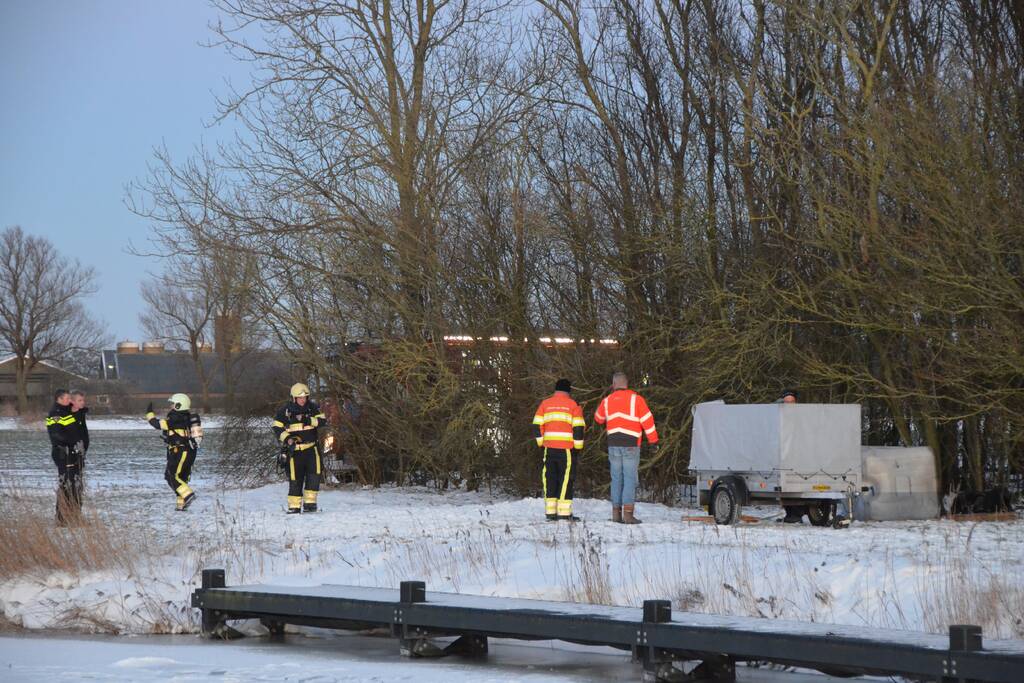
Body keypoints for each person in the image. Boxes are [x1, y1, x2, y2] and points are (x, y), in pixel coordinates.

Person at [593, 372, 658, 524]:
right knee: (629, 479)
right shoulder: (637, 400)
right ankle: (628, 515)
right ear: (626, 384)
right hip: (631, 444)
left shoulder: (607, 401)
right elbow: (648, 421)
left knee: (616, 478)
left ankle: (616, 514)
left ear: (614, 384)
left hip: (613, 443)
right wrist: (653, 441)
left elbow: (598, 418)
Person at [532, 378, 585, 521]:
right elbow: (578, 428)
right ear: (569, 391)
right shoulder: (573, 405)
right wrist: (578, 448)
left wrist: (541, 443)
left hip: (549, 449)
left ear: (555, 389)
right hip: (567, 450)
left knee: (550, 478)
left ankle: (550, 512)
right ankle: (564, 513)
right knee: (566, 480)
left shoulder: (545, 404)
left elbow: (536, 425)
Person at [272, 383, 326, 513]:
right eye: (300, 398)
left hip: (311, 449)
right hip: (295, 451)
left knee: (314, 475)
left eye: (305, 397)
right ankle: (294, 506)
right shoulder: (285, 411)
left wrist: (308, 420)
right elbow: (276, 427)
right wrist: (287, 439)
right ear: (294, 398)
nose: (303, 400)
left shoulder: (313, 408)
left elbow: (323, 422)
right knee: (296, 478)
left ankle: (310, 505)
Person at [146, 393, 203, 511]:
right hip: (190, 451)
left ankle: (188, 495)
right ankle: (181, 505)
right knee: (181, 478)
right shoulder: (186, 418)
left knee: (171, 476)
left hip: (180, 451)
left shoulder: (175, 418)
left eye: (172, 404)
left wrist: (149, 414)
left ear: (178, 405)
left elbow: (156, 424)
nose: (171, 406)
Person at [46, 388, 81, 524]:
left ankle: (71, 516)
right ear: (59, 399)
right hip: (62, 452)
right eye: (66, 398)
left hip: (71, 452)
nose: (69, 400)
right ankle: (61, 518)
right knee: (65, 485)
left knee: (73, 486)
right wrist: (70, 444)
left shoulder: (67, 412)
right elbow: (56, 434)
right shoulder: (56, 413)